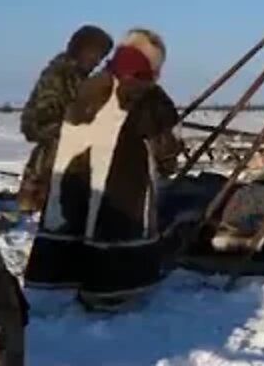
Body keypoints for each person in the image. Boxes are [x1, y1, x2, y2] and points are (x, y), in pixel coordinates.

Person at [23, 28, 182, 311]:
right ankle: (113, 291)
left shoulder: (92, 84)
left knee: (72, 213)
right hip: (121, 174)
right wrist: (168, 161)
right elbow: (165, 143)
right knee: (115, 221)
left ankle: (61, 283)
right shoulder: (146, 92)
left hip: (73, 169)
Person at [17, 25, 114, 213]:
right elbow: (37, 123)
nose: (96, 62)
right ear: (80, 50)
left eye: (100, 58)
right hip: (51, 169)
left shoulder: (80, 79)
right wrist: (82, 129)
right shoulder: (58, 77)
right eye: (94, 55)